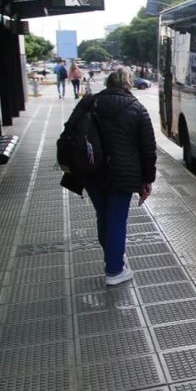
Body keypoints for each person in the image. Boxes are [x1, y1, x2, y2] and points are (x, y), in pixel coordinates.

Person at [62, 68, 156, 285]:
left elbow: (69, 132)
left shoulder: (89, 102)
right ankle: (114, 269)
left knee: (103, 216)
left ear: (108, 82)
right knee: (116, 219)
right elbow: (148, 149)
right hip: (122, 174)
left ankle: (113, 256)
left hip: (92, 170)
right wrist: (147, 180)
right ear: (128, 83)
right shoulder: (136, 108)